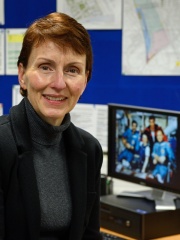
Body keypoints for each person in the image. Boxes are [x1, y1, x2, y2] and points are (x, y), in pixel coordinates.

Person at [0, 12, 103, 240]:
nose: (58, 83)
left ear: (85, 79)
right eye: (45, 67)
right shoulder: (1, 145)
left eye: (72, 70)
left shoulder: (90, 149)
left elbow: (90, 235)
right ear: (22, 75)